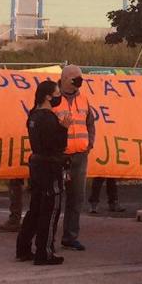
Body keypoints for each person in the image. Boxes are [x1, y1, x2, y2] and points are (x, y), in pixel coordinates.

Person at [16, 79, 68, 266]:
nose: (58, 97)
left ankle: (23, 247)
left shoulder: (33, 115)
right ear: (48, 96)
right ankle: (44, 252)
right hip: (49, 166)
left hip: (37, 165)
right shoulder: (48, 117)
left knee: (36, 208)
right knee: (50, 209)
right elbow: (56, 145)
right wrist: (64, 129)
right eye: (56, 94)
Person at [56, 64, 98, 251]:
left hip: (80, 156)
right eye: (76, 80)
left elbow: (90, 123)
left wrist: (89, 144)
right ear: (65, 79)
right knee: (55, 197)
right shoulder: (54, 99)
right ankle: (47, 237)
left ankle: (70, 236)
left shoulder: (84, 99)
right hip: (59, 157)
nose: (79, 84)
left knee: (76, 198)